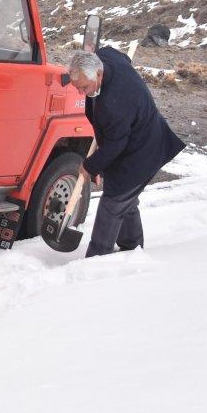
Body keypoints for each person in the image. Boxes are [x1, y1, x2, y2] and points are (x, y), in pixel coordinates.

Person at [68, 46, 183, 257]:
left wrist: (90, 166)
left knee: (113, 203)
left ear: (99, 74)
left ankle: (96, 258)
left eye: (83, 87)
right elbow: (119, 55)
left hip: (143, 151)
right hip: (133, 138)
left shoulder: (114, 105)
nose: (80, 92)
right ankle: (132, 248)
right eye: (77, 87)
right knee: (126, 201)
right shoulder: (106, 57)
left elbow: (114, 145)